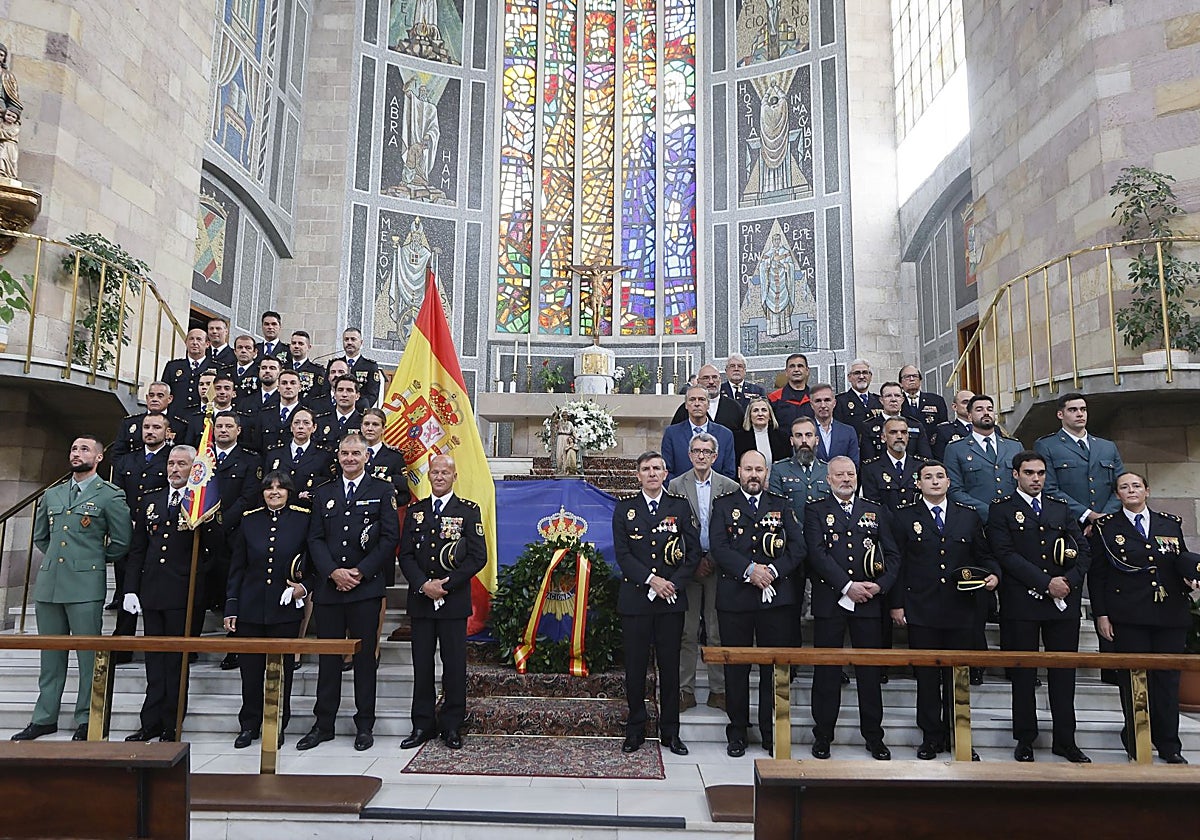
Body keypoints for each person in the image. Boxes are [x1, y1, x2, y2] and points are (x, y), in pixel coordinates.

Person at [13, 437, 132, 742]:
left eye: (84, 449)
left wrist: (90, 560)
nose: (77, 454)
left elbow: (120, 541)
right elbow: (42, 537)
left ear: (99, 456)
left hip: (84, 584)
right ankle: (44, 717)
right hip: (50, 583)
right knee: (50, 657)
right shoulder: (53, 494)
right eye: (74, 449)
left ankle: (87, 717)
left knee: (88, 656)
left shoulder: (109, 495)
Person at [987, 450, 1092, 763]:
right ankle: (1025, 738)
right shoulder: (1002, 509)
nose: (1036, 479)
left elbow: (1083, 550)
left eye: (1041, 473)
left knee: (1064, 673)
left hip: (1063, 603)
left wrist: (1068, 582)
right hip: (1022, 602)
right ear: (1016, 475)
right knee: (1023, 674)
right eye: (1030, 473)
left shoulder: (1060, 508)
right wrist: (1046, 583)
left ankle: (1066, 740)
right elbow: (1005, 554)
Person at [1089, 471, 1199, 764]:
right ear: (1118, 495)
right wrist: (1101, 614)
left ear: (1147, 491)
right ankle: (1138, 739)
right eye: (1124, 487)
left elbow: (1180, 558)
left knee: (1167, 680)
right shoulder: (1106, 527)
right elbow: (1098, 575)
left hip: (1170, 613)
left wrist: (1191, 577)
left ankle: (1169, 745)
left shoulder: (1169, 523)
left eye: (1136, 485)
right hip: (1129, 613)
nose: (1131, 490)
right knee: (1135, 679)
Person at [889, 461, 996, 759]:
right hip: (921, 608)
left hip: (961, 610)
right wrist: (896, 604)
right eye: (928, 477)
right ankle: (931, 737)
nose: (934, 482)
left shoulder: (968, 516)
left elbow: (984, 555)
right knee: (926, 678)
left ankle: (959, 735)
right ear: (918, 484)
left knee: (957, 677)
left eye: (939, 477)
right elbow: (898, 565)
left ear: (949, 482)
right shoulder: (904, 517)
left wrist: (993, 574)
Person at [299, 434, 399, 752]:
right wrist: (333, 572)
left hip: (365, 588)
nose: (350, 458)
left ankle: (364, 725)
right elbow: (314, 538)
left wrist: (360, 571)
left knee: (364, 660)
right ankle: (323, 723)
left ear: (367, 456)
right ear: (338, 456)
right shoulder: (323, 492)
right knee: (328, 661)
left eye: (356, 453)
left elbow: (388, 537)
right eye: (345, 453)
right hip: (329, 590)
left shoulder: (382, 491)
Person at [710, 450, 805, 757]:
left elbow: (797, 547)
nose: (753, 474)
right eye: (748, 469)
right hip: (735, 598)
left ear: (767, 473)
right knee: (736, 669)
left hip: (774, 600)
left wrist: (772, 572)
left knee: (771, 669)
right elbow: (719, 548)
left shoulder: (781, 504)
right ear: (739, 471)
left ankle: (769, 731)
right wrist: (750, 571)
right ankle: (737, 732)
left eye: (759, 470)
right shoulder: (723, 505)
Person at [804, 455, 898, 761]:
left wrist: (879, 586)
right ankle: (823, 735)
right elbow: (817, 555)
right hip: (832, 601)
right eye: (840, 475)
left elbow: (894, 556)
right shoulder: (815, 510)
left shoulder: (875, 510)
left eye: (851, 474)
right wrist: (847, 586)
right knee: (827, 671)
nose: (846, 479)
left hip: (869, 603)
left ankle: (873, 736)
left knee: (869, 671)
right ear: (828, 479)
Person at [612, 451, 700, 755]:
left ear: (666, 474)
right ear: (638, 475)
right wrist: (653, 581)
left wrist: (672, 583)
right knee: (635, 668)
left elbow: (692, 553)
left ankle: (670, 732)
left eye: (657, 469)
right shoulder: (625, 510)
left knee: (670, 669)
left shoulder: (679, 506)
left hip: (671, 601)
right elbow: (623, 556)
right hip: (636, 600)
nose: (652, 474)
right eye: (646, 469)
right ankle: (636, 729)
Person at [398, 454, 485, 751]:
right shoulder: (416, 511)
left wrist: (446, 584)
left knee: (454, 666)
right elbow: (405, 555)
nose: (439, 477)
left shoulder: (468, 511)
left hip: (452, 601)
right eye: (434, 472)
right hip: (422, 601)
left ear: (454, 476)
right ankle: (422, 724)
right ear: (429, 476)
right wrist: (424, 585)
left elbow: (477, 556)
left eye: (444, 472)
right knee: (422, 665)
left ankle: (451, 725)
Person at [224, 471, 314, 749]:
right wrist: (232, 606)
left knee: (281, 670)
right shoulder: (249, 520)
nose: (274, 492)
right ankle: (248, 724)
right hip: (250, 607)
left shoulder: (302, 519)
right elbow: (237, 567)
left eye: (280, 488)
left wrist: (304, 588)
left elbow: (313, 562)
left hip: (284, 607)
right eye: (268, 488)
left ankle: (277, 723)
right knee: (250, 672)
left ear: (289, 491)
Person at [120, 445, 203, 742]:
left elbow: (212, 550)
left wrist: (203, 518)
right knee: (153, 662)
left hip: (183, 593)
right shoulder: (151, 501)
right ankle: (150, 722)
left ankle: (171, 723)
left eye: (182, 463)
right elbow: (138, 549)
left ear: (193, 467)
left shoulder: (198, 502)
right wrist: (130, 589)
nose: (174, 468)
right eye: (171, 463)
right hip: (152, 592)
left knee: (175, 663)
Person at [944, 394, 1022, 685]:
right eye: (979, 409)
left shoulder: (1013, 446)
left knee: (1015, 599)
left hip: (1014, 530)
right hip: (978, 527)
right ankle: (977, 660)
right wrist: (990, 512)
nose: (986, 413)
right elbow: (955, 490)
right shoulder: (956, 449)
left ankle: (1015, 664)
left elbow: (1021, 483)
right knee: (977, 599)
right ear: (969, 413)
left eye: (990, 408)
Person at [668, 432, 739, 713]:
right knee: (686, 631)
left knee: (716, 629)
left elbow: (733, 531)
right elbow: (673, 529)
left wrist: (713, 557)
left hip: (718, 566)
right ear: (689, 455)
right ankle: (685, 689)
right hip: (687, 567)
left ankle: (718, 690)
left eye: (706, 452)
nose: (701, 456)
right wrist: (692, 560)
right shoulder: (675, 485)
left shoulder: (729, 486)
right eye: (696, 451)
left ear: (715, 456)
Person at [109, 413, 171, 652]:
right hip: (131, 530)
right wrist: (127, 522)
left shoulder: (171, 459)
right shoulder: (126, 461)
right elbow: (118, 496)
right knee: (127, 583)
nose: (150, 431)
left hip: (159, 532)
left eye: (156, 427)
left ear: (166, 432)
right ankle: (124, 639)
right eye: (146, 427)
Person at [1036, 392, 1125, 530]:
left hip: (1109, 522)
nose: (1080, 414)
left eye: (1083, 409)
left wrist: (1105, 516)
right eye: (1073, 410)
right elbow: (1048, 488)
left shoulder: (1107, 446)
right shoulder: (1047, 446)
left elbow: (1121, 485)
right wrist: (1088, 514)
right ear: (1060, 414)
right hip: (1068, 523)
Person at [263, 408, 335, 509]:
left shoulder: (323, 456)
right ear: (291, 427)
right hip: (279, 511)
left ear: (314, 427)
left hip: (308, 512)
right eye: (296, 423)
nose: (301, 427)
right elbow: (265, 486)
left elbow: (328, 487)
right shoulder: (274, 453)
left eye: (306, 423)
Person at [661, 386, 735, 482]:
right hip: (681, 494)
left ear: (708, 405)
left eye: (701, 400)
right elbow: (667, 471)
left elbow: (729, 472)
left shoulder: (725, 435)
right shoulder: (672, 433)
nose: (697, 404)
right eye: (692, 400)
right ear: (686, 405)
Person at [768, 417, 831, 523]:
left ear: (817, 440)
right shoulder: (779, 469)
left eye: (808, 435)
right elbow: (777, 508)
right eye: (798, 436)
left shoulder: (828, 470)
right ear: (792, 441)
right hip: (792, 535)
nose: (804, 441)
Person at [108, 381, 186, 464]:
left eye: (160, 396)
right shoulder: (130, 423)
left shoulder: (180, 426)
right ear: (147, 398)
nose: (155, 399)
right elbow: (117, 454)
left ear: (169, 399)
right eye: (151, 395)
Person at [859, 381, 931, 461]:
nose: (893, 399)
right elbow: (868, 459)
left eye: (897, 396)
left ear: (902, 399)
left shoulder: (915, 425)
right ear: (881, 400)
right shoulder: (869, 426)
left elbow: (925, 457)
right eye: (888, 396)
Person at [669, 364, 743, 431]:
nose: (711, 382)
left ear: (720, 380)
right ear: (698, 382)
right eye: (706, 378)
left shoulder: (734, 407)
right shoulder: (686, 409)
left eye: (714, 377)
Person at [161, 328, 214, 411]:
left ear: (207, 344)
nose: (194, 342)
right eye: (191, 339)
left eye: (199, 339)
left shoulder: (216, 367)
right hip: (176, 417)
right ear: (186, 343)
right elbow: (164, 394)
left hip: (202, 417)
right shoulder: (173, 367)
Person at [809, 383, 860, 465]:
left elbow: (854, 465)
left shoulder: (848, 432)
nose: (823, 405)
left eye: (827, 400)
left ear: (834, 403)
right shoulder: (804, 431)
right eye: (818, 401)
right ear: (811, 405)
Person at [732, 396, 790, 465]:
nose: (760, 414)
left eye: (764, 410)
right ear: (749, 416)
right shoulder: (738, 438)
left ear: (770, 416)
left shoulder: (782, 437)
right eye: (755, 410)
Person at [767, 353, 815, 431]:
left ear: (807, 371)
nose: (796, 370)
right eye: (792, 366)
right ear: (786, 372)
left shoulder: (815, 398)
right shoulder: (774, 398)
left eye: (800, 366)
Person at [314, 375, 364, 450]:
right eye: (340, 390)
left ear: (357, 396)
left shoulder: (363, 423)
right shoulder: (320, 421)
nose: (344, 395)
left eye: (349, 390)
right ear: (334, 394)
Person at [339, 328, 383, 408]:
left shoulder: (370, 366)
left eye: (353, 339)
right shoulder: (335, 364)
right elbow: (326, 390)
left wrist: (358, 409)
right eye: (346, 339)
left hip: (359, 412)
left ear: (361, 342)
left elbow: (372, 394)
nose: (349, 342)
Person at [898, 365, 948, 434]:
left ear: (920, 381)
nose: (912, 379)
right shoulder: (897, 401)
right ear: (900, 383)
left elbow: (943, 427)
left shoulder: (936, 400)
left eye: (915, 376)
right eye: (907, 377)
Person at [834, 359, 882, 431]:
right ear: (849, 377)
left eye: (865, 373)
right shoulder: (840, 402)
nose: (861, 376)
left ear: (870, 377)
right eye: (857, 373)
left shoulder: (879, 401)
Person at [931, 389, 974, 461]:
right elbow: (940, 458)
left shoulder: (990, 429)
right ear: (955, 407)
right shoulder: (944, 431)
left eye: (973, 402)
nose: (970, 406)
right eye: (965, 402)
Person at [287, 330, 326, 398]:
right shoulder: (283, 367)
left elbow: (320, 393)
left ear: (309, 347)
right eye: (293, 343)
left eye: (300, 344)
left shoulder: (317, 371)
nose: (296, 346)